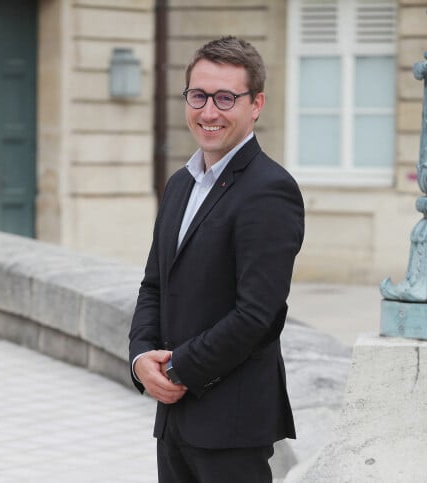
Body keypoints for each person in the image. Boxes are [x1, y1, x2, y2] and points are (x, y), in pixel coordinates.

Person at [129, 36, 305, 483]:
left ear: (256, 103)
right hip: (174, 422)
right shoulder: (180, 184)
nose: (209, 112)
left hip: (233, 426)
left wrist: (178, 368)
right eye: (199, 95)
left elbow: (258, 315)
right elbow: (154, 285)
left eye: (226, 98)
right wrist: (140, 358)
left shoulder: (270, 190)